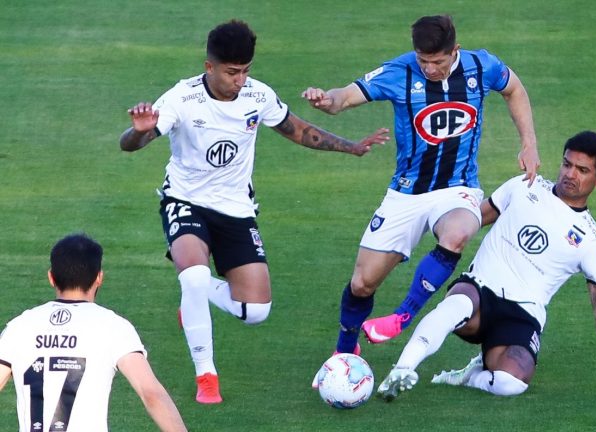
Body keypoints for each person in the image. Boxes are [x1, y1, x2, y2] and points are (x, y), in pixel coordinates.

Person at [119, 20, 388, 404]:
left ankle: (193, 301)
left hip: (237, 210)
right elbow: (130, 144)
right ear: (209, 67)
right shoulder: (181, 98)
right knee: (193, 275)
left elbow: (297, 129)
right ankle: (206, 376)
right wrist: (139, 131)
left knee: (256, 311)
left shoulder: (258, 96)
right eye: (232, 72)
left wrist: (352, 147)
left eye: (245, 70)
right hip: (185, 201)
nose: (240, 80)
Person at [303, 15, 539, 378]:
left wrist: (529, 143)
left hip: (457, 188)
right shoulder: (401, 72)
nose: (429, 68)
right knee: (362, 283)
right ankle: (345, 347)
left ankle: (403, 315)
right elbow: (344, 98)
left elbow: (515, 88)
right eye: (423, 60)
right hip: (406, 194)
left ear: (455, 51)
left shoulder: (481, 66)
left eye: (438, 62)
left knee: (458, 232)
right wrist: (324, 99)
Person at [375, 131, 596, 400]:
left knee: (512, 383)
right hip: (480, 291)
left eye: (582, 170)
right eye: (567, 164)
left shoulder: (593, 242)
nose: (570, 174)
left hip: (523, 315)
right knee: (456, 305)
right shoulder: (525, 186)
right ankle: (402, 369)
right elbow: (473, 219)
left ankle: (471, 375)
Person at [0, 234, 187, 431]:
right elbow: (151, 393)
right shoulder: (114, 326)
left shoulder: (20, 326)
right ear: (99, 278)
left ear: (51, 277)